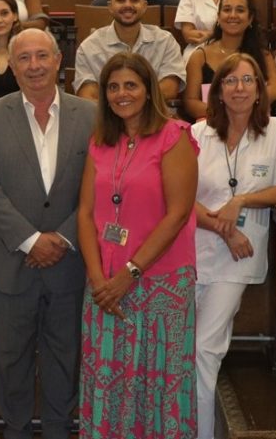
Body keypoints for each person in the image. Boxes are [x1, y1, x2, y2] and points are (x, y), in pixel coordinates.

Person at [0, 28, 96, 439]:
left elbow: (101, 185)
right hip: (12, 262)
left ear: (59, 61)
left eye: (42, 56)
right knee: (11, 360)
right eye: (24, 58)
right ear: (11, 65)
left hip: (70, 261)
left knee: (65, 356)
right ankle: (16, 430)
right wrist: (31, 240)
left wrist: (61, 238)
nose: (34, 66)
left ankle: (60, 429)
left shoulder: (91, 115)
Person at [77, 51, 199, 438]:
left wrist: (129, 274)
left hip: (160, 284)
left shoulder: (174, 136)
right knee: (108, 382)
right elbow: (85, 213)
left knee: (158, 383)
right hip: (105, 287)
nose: (121, 94)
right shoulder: (99, 142)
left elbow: (178, 214)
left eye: (130, 85)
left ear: (148, 90)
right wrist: (98, 279)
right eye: (113, 87)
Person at [191, 53, 276, 439]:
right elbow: (181, 196)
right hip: (192, 248)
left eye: (247, 80)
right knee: (185, 348)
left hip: (239, 256)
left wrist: (241, 201)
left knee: (204, 349)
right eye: (230, 81)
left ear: (259, 90)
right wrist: (223, 228)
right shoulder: (198, 133)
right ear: (217, 91)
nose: (239, 88)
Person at [74, 0, 186, 102]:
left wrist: (132, 104)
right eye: (120, 0)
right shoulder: (89, 46)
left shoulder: (165, 41)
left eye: (134, 0)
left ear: (144, 6)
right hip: (108, 114)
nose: (128, 5)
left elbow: (170, 88)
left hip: (151, 114)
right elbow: (88, 96)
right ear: (110, 6)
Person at [183, 0, 276, 119]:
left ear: (250, 18)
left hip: (254, 120)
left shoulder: (263, 55)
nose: (233, 15)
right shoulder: (199, 57)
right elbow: (190, 102)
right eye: (227, 10)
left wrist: (243, 107)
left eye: (240, 10)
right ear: (218, 17)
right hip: (213, 121)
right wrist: (226, 112)